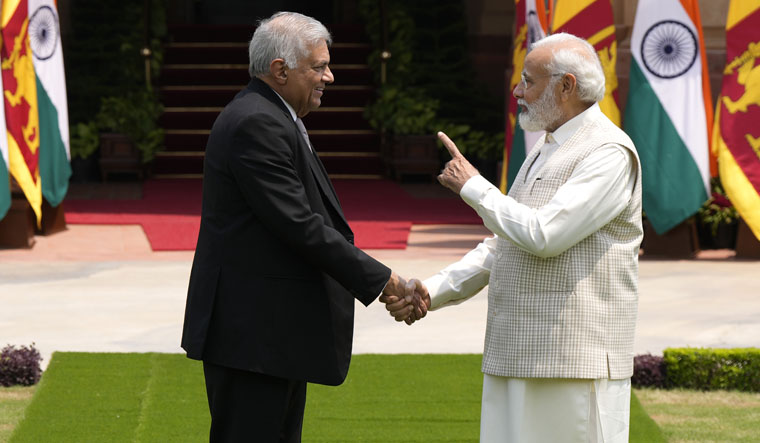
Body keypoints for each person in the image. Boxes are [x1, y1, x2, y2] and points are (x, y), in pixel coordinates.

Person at [181, 11, 425, 442]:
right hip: (253, 338)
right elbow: (299, 225)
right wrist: (386, 282)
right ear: (280, 70)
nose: (329, 77)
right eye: (319, 67)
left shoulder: (273, 116)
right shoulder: (257, 122)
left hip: (271, 335)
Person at [387, 32, 642, 442]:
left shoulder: (608, 152)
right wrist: (432, 290)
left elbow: (545, 236)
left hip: (574, 362)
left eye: (529, 80)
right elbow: (505, 245)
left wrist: (474, 186)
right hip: (515, 352)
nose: (517, 90)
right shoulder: (547, 146)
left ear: (566, 86)